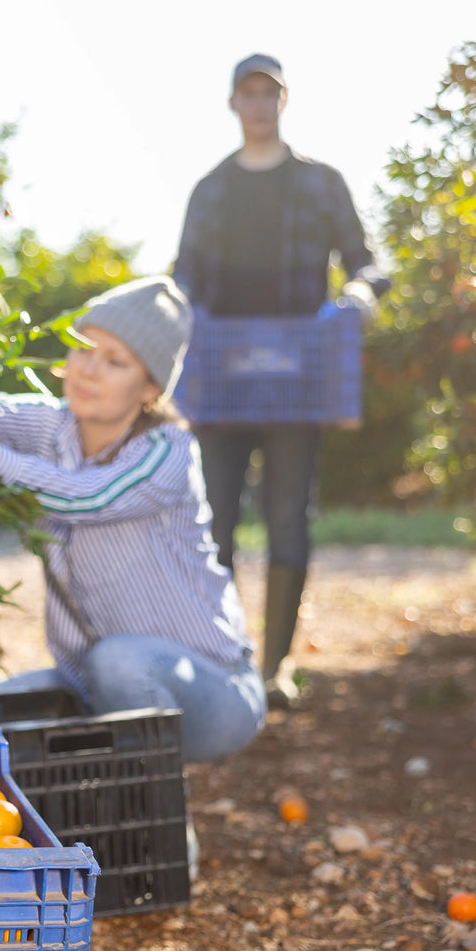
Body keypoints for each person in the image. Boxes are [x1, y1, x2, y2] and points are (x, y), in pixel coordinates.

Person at [0, 275, 265, 766]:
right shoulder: (52, 427)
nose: (89, 370)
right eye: (83, 348)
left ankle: (160, 822)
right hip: (93, 688)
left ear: (150, 387)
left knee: (119, 661)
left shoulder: (168, 451)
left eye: (115, 361)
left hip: (213, 693)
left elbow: (88, 497)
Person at [172, 53, 390, 706]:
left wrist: (360, 289)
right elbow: (182, 275)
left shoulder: (321, 183)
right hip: (223, 381)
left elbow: (367, 259)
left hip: (299, 379)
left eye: (270, 92)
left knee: (289, 518)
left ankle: (275, 668)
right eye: (249, 92)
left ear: (283, 101)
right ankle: (229, 660)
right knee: (216, 525)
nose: (260, 103)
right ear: (234, 103)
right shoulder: (211, 189)